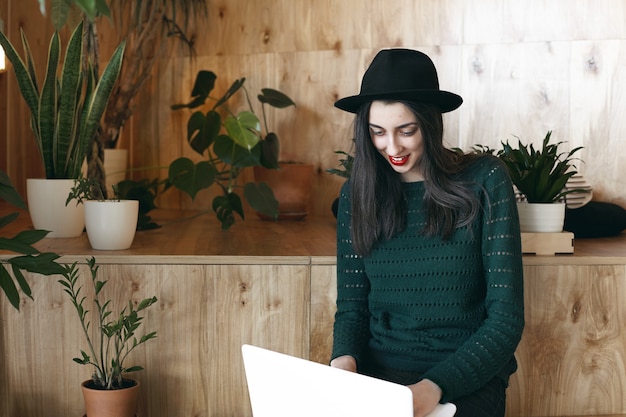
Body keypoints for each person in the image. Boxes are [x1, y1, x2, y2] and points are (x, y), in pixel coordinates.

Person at [330, 48, 525, 417]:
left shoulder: (485, 180)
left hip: (466, 376)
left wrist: (432, 388)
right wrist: (343, 369)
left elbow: (505, 321)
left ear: (430, 123)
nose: (393, 147)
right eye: (378, 133)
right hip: (379, 374)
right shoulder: (357, 195)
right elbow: (352, 310)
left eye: (406, 131)